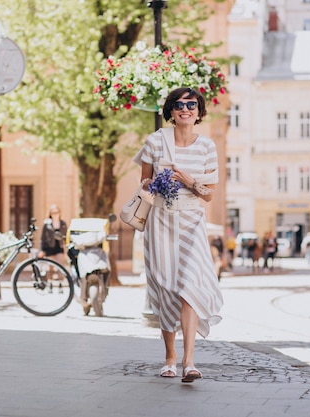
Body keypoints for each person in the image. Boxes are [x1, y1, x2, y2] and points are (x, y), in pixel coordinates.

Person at [133, 87, 223, 383]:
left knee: (189, 287)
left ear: (199, 112)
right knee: (165, 287)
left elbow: (208, 195)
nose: (186, 109)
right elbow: (143, 183)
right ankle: (169, 357)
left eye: (192, 105)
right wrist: (156, 182)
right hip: (160, 220)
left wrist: (186, 179)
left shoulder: (207, 146)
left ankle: (188, 362)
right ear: (170, 111)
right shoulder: (155, 142)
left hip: (192, 221)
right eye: (180, 104)